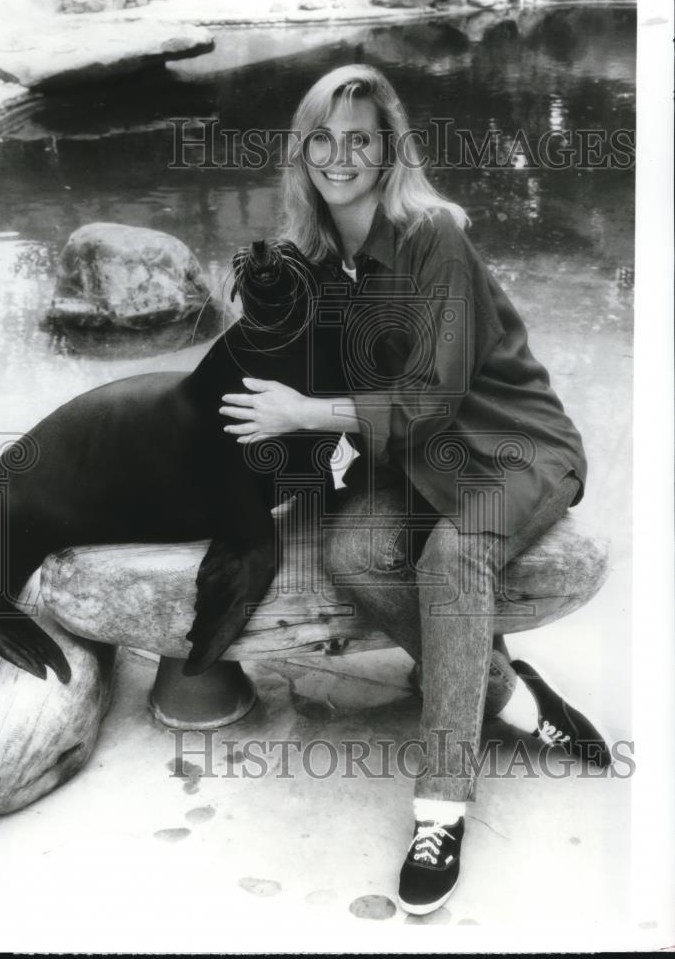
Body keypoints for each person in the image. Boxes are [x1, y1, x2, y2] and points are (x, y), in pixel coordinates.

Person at [218, 64, 612, 915]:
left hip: (511, 448)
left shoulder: (433, 234)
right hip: (417, 460)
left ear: (388, 148)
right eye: (321, 138)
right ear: (302, 152)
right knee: (354, 554)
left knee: (451, 556)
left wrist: (303, 413)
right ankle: (514, 696)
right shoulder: (321, 259)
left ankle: (440, 809)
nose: (338, 155)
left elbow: (431, 390)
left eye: (358, 137)